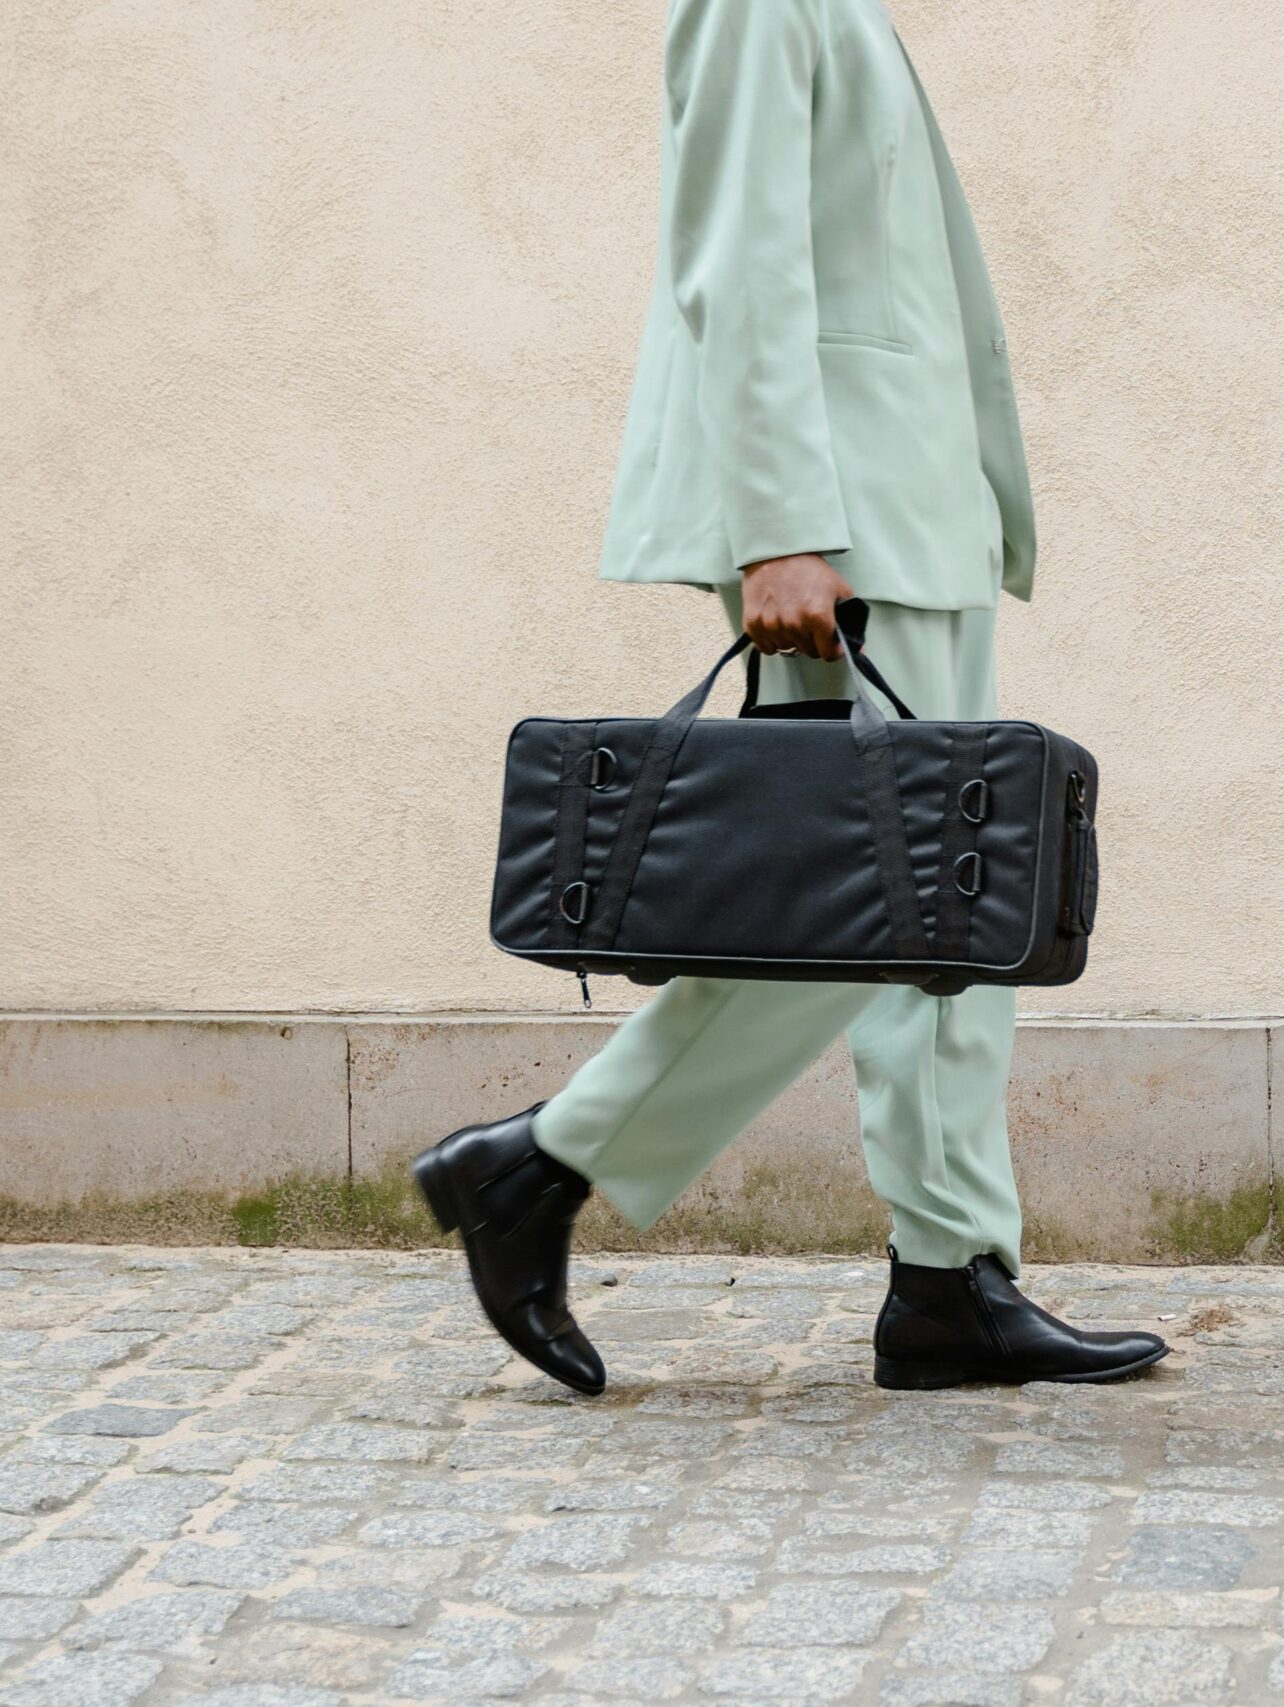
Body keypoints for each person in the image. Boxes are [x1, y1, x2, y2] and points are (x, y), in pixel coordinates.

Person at [408, 0, 1165, 1396]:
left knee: (949, 924)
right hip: (842, 532)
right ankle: (542, 1163)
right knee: (880, 908)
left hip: (910, 519)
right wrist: (779, 525)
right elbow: (736, 261)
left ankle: (952, 1279)